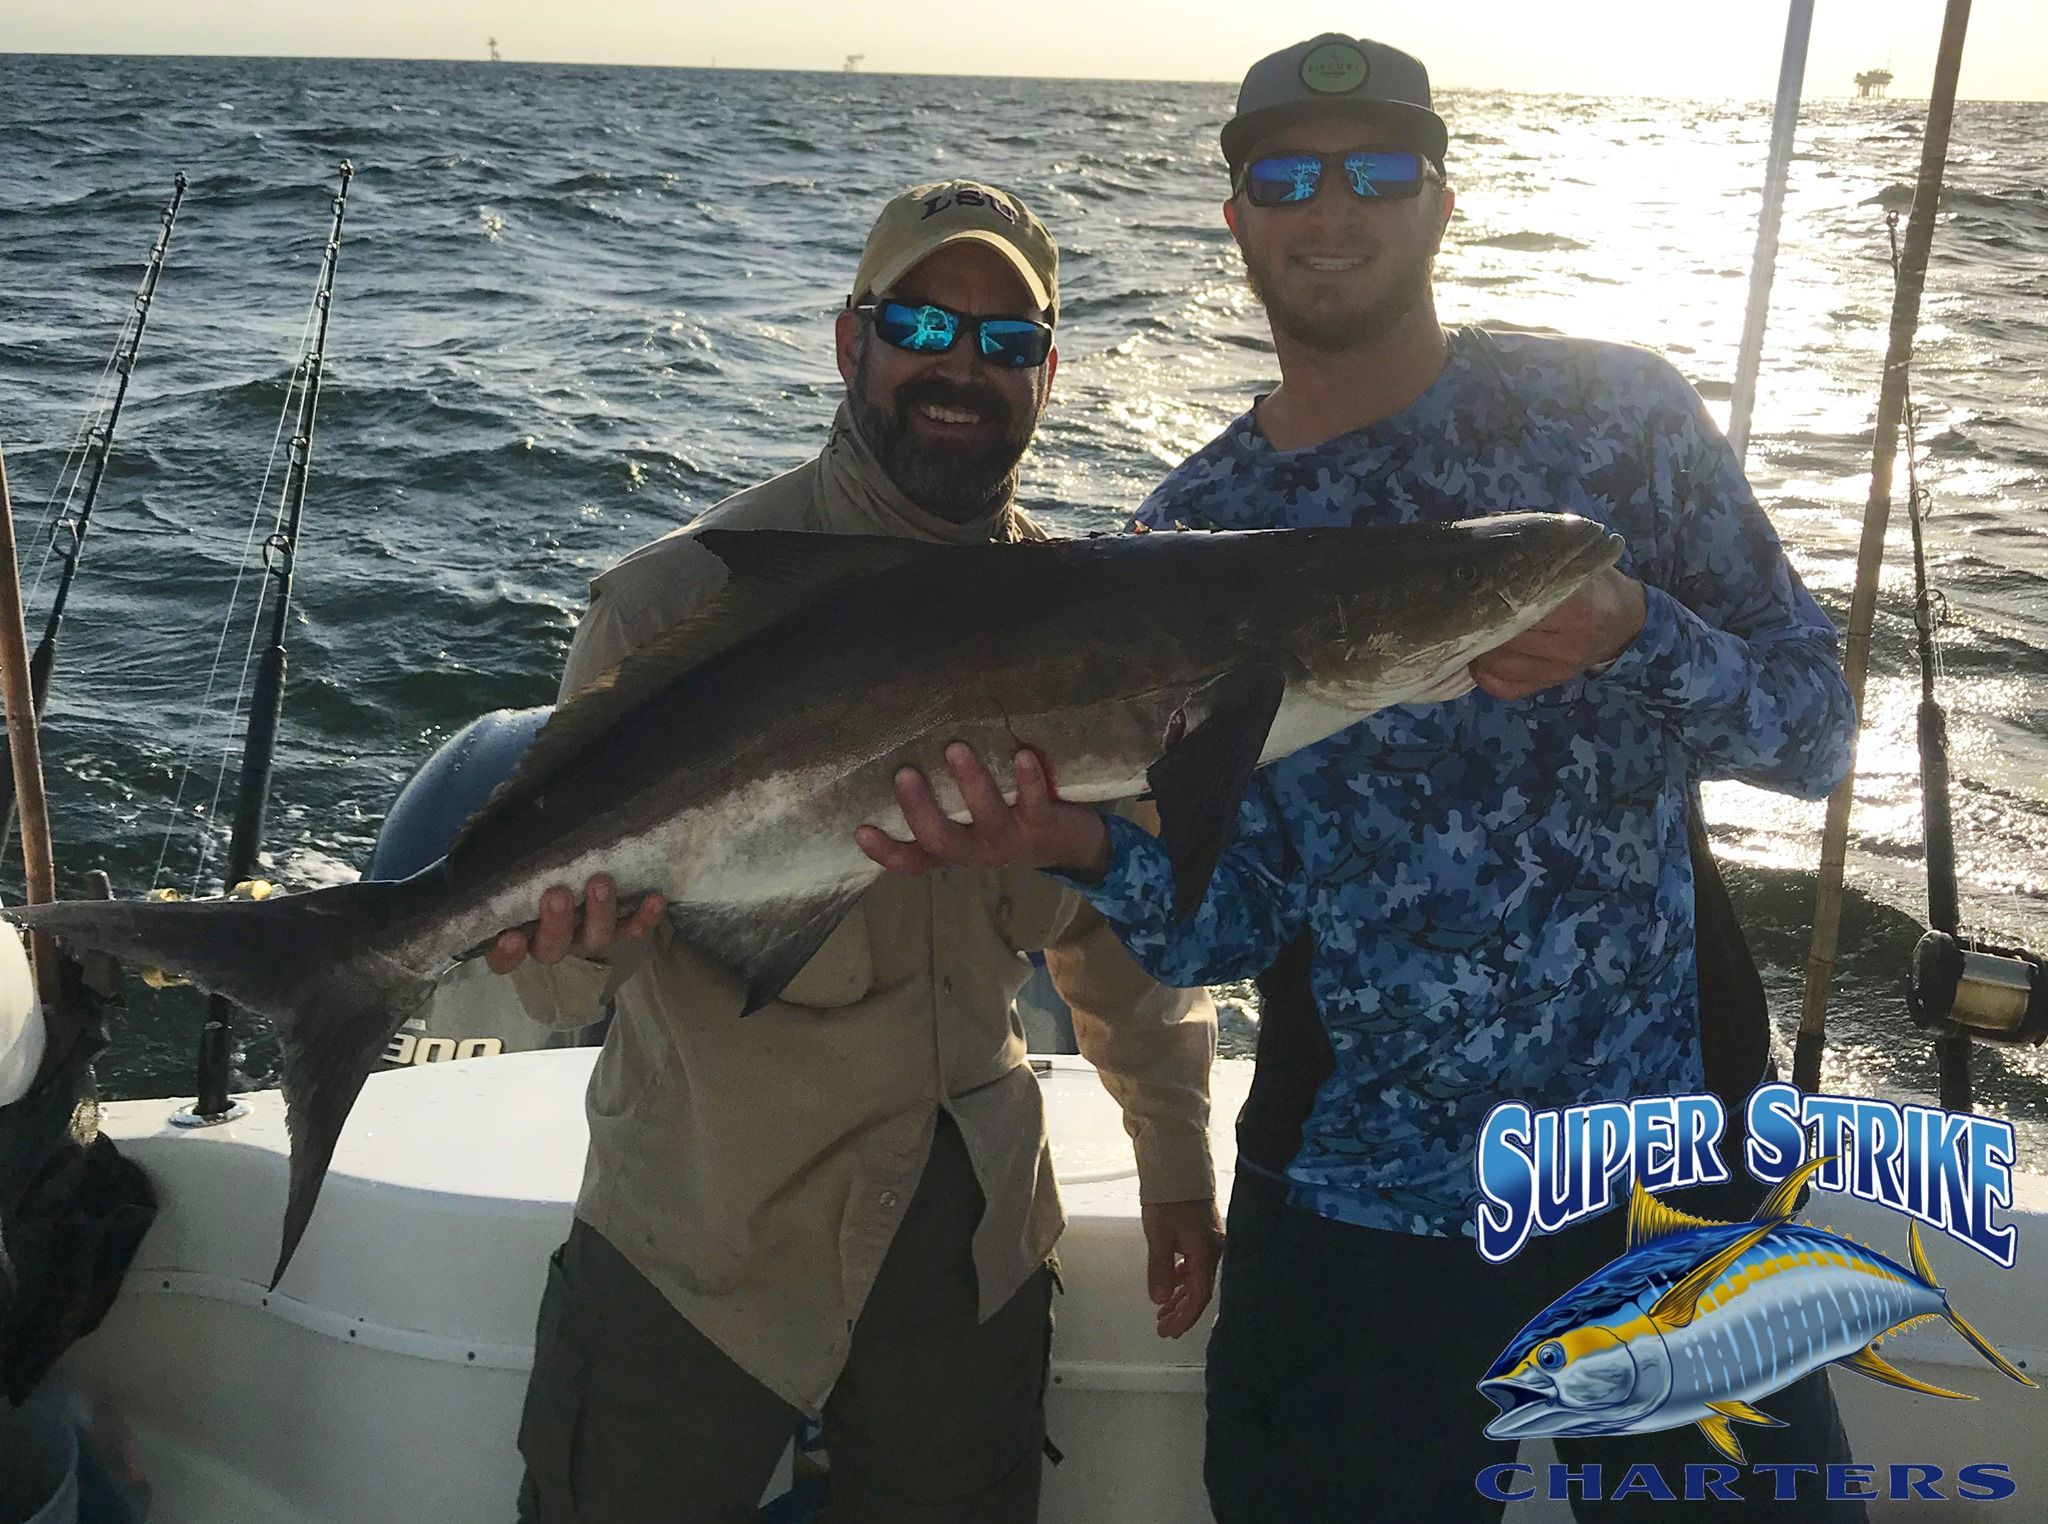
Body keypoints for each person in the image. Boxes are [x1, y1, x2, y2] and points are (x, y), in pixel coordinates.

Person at [857, 36, 1867, 1523]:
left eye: (1377, 169)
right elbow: (1227, 921)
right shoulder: (1188, 532)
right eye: (1287, 177)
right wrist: (1074, 842)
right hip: (1355, 1206)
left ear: (1443, 201)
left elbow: (1815, 731)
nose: (1333, 211)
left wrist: (1636, 634)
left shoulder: (1617, 423)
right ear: (1238, 223)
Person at [488, 180, 1221, 1524]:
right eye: (923, 325)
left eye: (1006, 343)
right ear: (851, 342)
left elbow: (1123, 937)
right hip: (699, 1238)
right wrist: (570, 949)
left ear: (1048, 375)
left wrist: (1174, 1158)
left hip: (965, 1253)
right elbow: (545, 984)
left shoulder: (1103, 634)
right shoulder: (673, 607)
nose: (960, 368)